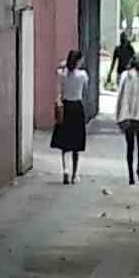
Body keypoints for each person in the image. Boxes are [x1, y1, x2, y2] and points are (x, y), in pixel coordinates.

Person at [53, 42, 92, 182]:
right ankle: (75, 175)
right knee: (76, 143)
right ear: (78, 61)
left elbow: (58, 68)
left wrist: (65, 64)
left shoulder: (64, 74)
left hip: (66, 107)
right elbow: (86, 89)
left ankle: (65, 169)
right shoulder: (83, 75)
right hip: (77, 107)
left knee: (65, 142)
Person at [116, 44, 139, 183]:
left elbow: (121, 97)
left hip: (128, 117)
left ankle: (131, 174)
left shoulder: (125, 77)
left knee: (130, 147)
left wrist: (119, 115)